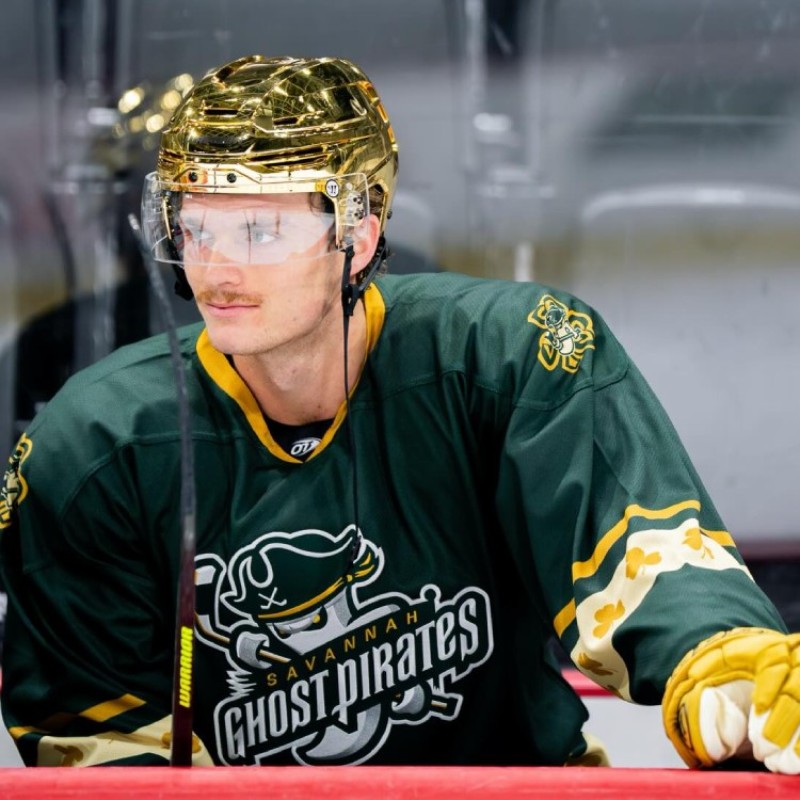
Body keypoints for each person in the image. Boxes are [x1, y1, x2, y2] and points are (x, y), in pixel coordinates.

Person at [0, 54, 797, 772]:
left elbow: (644, 554)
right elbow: (97, 733)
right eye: (196, 227)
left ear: (358, 235)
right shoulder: (91, 446)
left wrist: (724, 661)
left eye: (260, 230)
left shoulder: (511, 358)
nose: (217, 268)